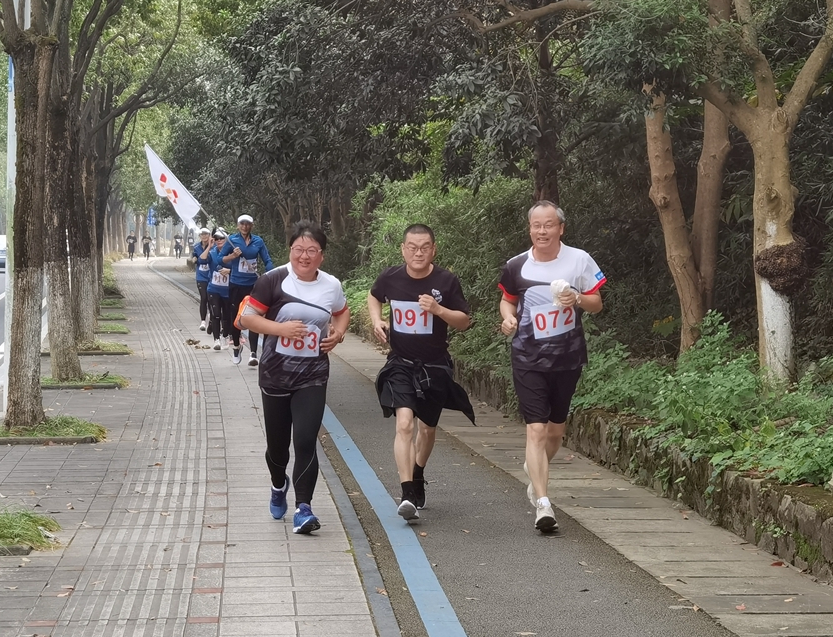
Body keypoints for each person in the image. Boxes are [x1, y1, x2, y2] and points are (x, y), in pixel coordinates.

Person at [499, 200, 605, 533]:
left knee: (556, 432)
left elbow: (597, 304)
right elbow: (507, 300)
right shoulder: (516, 265)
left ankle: (535, 471)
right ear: (529, 229)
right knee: (536, 429)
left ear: (561, 228)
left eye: (548, 225)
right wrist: (508, 318)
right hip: (527, 357)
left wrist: (578, 298)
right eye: (536, 225)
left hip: (567, 358)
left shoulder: (579, 259)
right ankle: (543, 504)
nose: (541, 231)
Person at [238, 220, 349, 535]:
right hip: (275, 375)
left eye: (312, 250)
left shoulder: (331, 285)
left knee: (304, 439)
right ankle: (278, 484)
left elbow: (341, 311)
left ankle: (304, 508)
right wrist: (281, 329)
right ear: (290, 250)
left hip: (313, 375)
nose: (305, 256)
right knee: (278, 447)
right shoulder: (272, 281)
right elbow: (247, 319)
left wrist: (338, 334)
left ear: (321, 255)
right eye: (299, 249)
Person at [368, 224, 475, 521]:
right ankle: (406, 494)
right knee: (404, 424)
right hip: (400, 363)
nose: (418, 252)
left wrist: (439, 310)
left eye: (424, 247)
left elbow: (464, 322)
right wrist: (377, 320)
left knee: (427, 429)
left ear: (433, 250)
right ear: (403, 249)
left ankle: (417, 473)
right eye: (412, 247)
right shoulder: (390, 277)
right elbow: (374, 296)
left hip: (434, 366)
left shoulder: (446, 281)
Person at [222, 214, 274, 367]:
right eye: (242, 224)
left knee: (254, 317)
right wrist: (233, 255)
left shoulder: (258, 241)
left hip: (253, 285)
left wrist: (270, 275)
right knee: (236, 317)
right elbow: (220, 259)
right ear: (238, 225)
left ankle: (253, 353)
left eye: (248, 224)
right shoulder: (231, 240)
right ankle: (236, 347)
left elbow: (267, 259)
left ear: (252, 225)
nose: (245, 227)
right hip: (236, 284)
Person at [206, 230, 233, 350]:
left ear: (227, 239)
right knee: (216, 315)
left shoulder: (233, 253)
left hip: (228, 290)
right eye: (216, 238)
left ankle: (225, 336)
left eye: (222, 238)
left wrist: (230, 271)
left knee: (226, 316)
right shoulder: (212, 253)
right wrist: (209, 246)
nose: (219, 240)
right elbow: (202, 260)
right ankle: (216, 340)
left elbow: (239, 269)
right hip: (214, 289)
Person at [192, 228, 213, 331]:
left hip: (211, 275)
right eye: (202, 234)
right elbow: (195, 258)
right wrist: (193, 259)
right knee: (204, 298)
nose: (204, 236)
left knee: (211, 299)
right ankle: (203, 321)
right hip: (201, 276)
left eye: (206, 234)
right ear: (199, 236)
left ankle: (211, 320)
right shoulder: (196, 247)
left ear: (209, 235)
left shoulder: (214, 246)